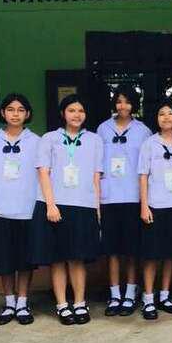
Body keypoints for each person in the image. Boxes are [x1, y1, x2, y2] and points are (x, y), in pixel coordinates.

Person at [30, 94, 103, 325]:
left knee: (77, 258)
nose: (76, 115)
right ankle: (62, 305)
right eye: (71, 110)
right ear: (63, 113)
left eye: (81, 111)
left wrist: (97, 209)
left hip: (83, 205)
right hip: (56, 205)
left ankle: (80, 303)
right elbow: (43, 172)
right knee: (58, 259)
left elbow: (96, 176)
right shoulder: (49, 138)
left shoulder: (94, 140)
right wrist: (50, 205)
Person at [0, 93, 40, 326]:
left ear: (27, 114)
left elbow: (44, 173)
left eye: (21, 110)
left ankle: (23, 303)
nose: (15, 114)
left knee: (24, 259)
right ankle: (9, 302)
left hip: (27, 209)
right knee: (4, 258)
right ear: (3, 113)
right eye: (10, 109)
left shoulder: (36, 142)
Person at [96, 87, 151, 317]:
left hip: (133, 196)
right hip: (109, 197)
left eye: (127, 102)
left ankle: (130, 292)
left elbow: (147, 167)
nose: (123, 106)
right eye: (119, 101)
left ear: (134, 104)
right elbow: (97, 164)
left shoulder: (143, 131)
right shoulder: (102, 129)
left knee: (131, 249)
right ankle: (115, 294)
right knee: (112, 250)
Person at [137, 100, 172, 320]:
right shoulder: (149, 144)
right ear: (156, 119)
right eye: (161, 114)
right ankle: (148, 298)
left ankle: (165, 296)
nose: (166, 117)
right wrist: (144, 205)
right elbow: (143, 176)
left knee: (169, 255)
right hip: (155, 206)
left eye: (170, 113)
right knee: (151, 255)